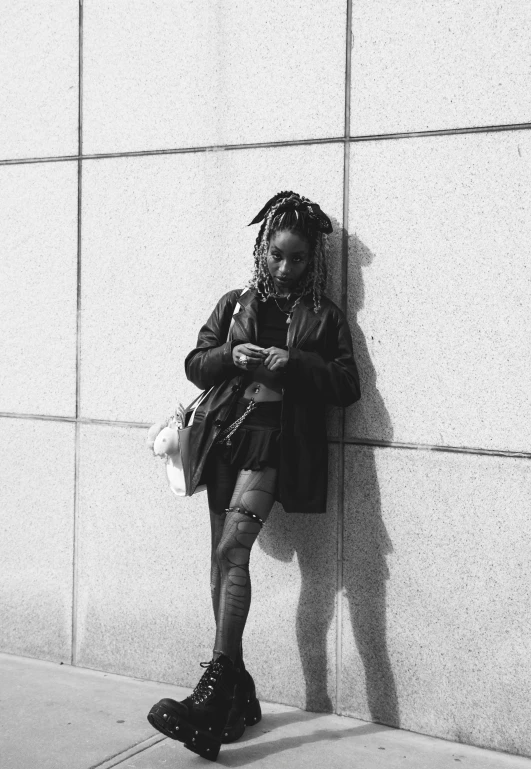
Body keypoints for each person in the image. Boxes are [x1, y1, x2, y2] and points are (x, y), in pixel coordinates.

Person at [147, 191, 360, 761]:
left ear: (312, 259)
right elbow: (196, 363)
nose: (285, 267)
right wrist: (229, 355)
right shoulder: (235, 302)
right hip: (223, 441)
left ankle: (214, 694)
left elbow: (347, 385)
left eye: (298, 258)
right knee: (219, 558)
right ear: (261, 249)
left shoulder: (325, 316)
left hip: (275, 444)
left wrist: (298, 363)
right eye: (277, 254)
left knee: (234, 548)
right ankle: (238, 691)